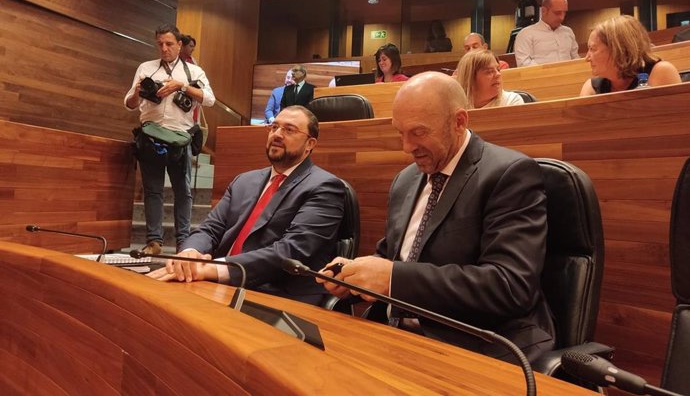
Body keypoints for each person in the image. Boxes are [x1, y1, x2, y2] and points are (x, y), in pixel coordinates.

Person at [318, 72, 554, 363]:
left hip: (471, 346)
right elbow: (393, 258)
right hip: (391, 338)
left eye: (418, 132)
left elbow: (508, 286)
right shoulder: (406, 180)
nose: (406, 147)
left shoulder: (509, 174)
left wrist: (391, 278)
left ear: (459, 122)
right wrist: (353, 278)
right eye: (399, 133)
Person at [149, 105, 346, 305]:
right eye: (274, 127)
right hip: (219, 286)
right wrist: (190, 254)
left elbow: (291, 251)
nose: (277, 134)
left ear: (309, 143)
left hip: (277, 296)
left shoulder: (325, 187)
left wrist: (211, 269)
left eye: (289, 129)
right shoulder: (243, 181)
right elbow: (209, 229)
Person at [125, 24, 215, 254]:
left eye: (169, 44)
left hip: (180, 138)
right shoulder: (146, 68)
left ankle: (183, 241)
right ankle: (154, 241)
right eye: (160, 44)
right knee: (152, 190)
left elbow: (209, 100)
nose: (164, 49)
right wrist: (138, 90)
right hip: (151, 135)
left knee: (182, 191)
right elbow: (129, 104)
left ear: (180, 45)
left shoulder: (194, 72)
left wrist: (181, 86)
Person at [580, 15, 681, 96]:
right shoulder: (591, 88)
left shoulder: (661, 72)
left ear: (617, 49)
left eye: (593, 49)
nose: (587, 58)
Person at [514, 0, 580, 67]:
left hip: (569, 76)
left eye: (564, 12)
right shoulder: (526, 34)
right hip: (540, 77)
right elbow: (524, 64)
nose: (562, 17)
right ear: (544, 11)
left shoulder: (568, 32)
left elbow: (575, 58)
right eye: (557, 13)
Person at [455, 50, 524, 108]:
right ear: (469, 79)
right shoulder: (455, 107)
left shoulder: (512, 102)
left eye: (498, 69)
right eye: (489, 71)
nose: (498, 74)